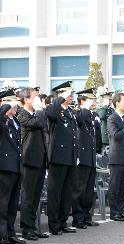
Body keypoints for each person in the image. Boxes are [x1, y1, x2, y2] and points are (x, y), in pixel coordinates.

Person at [0, 90, 26, 244]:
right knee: (2, 204)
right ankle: (2, 236)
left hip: (15, 166)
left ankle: (11, 233)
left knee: (12, 204)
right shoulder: (0, 120)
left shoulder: (15, 120)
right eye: (13, 103)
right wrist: (5, 106)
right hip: (3, 167)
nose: (16, 106)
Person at [46, 81, 78, 235]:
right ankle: (53, 224)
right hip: (58, 157)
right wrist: (59, 99)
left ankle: (63, 222)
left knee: (66, 192)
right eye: (68, 94)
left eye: (70, 94)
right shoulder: (55, 109)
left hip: (70, 156)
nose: (71, 96)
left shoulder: (69, 111)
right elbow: (50, 114)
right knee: (55, 192)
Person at [18, 87, 50, 240]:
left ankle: (33, 226)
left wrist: (38, 110)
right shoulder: (22, 114)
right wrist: (39, 109)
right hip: (28, 160)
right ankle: (26, 228)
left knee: (36, 196)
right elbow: (36, 123)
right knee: (28, 196)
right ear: (26, 100)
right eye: (34, 97)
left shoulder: (36, 114)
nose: (37, 100)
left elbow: (42, 123)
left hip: (39, 159)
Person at [70, 88, 100, 228]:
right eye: (90, 99)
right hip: (81, 157)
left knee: (89, 189)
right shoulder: (78, 113)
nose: (93, 102)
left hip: (90, 156)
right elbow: (80, 121)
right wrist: (85, 108)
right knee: (79, 189)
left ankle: (87, 216)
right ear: (82, 101)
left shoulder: (91, 115)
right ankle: (78, 218)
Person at [107, 93, 124, 221]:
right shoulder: (112, 118)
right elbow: (115, 135)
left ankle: (122, 211)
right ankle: (114, 212)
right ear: (117, 103)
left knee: (123, 186)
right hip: (116, 157)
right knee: (115, 185)